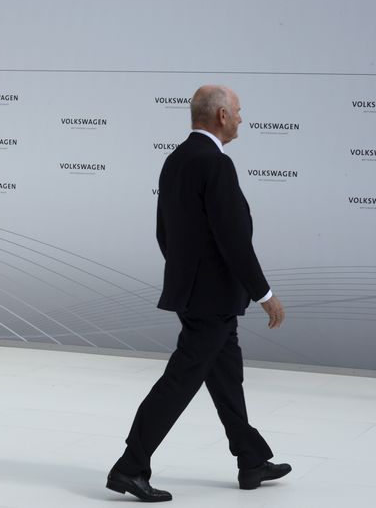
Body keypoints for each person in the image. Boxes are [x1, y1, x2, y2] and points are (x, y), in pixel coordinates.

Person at [105, 85, 290, 502]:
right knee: (180, 381)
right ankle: (130, 467)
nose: (242, 118)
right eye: (239, 111)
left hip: (195, 294)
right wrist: (265, 294)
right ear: (221, 116)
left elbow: (164, 233)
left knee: (226, 378)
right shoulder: (215, 164)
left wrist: (186, 279)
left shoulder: (176, 160)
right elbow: (233, 240)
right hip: (213, 299)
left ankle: (251, 460)